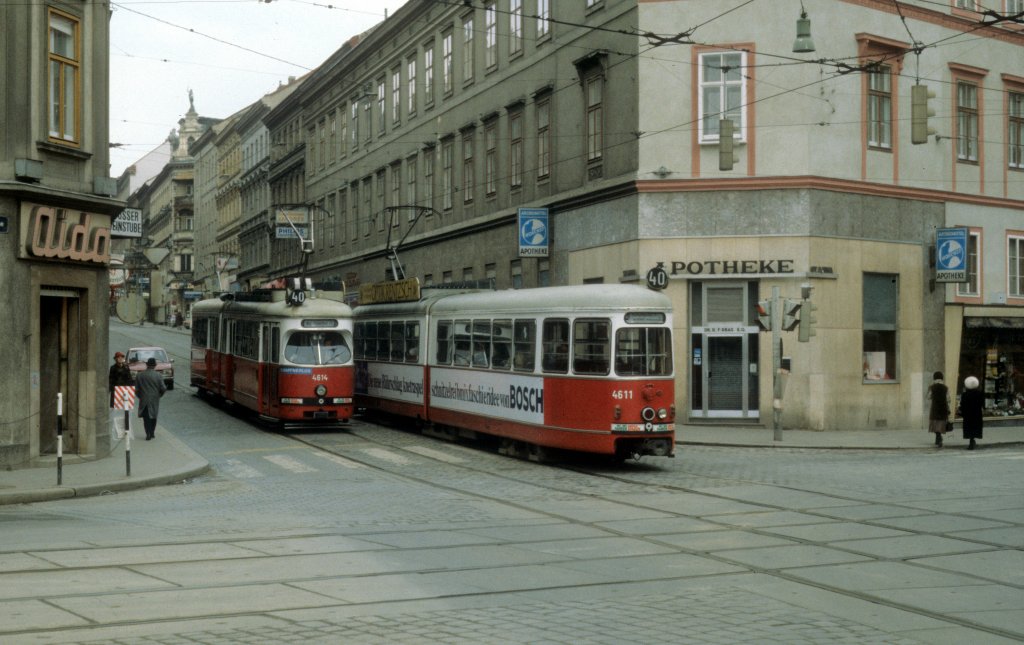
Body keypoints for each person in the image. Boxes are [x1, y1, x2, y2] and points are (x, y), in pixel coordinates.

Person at [135, 357, 167, 440]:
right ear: (155, 365)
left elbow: (136, 390)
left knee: (146, 418)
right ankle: (152, 432)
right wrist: (159, 395)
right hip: (154, 399)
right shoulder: (158, 375)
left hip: (144, 399)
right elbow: (163, 388)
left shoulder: (140, 375)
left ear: (147, 365)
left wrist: (140, 396)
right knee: (153, 416)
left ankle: (148, 433)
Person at [927, 371, 951, 447]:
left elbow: (928, 397)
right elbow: (949, 399)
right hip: (943, 407)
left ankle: (938, 437)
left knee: (935, 424)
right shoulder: (945, 387)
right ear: (942, 378)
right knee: (940, 424)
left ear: (934, 378)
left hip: (935, 408)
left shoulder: (932, 387)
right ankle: (938, 437)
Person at [960, 375, 984, 450]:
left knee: (969, 428)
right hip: (976, 414)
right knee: (975, 427)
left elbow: (962, 404)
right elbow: (982, 404)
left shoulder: (965, 394)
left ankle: (971, 441)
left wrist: (962, 412)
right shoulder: (979, 394)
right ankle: (972, 440)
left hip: (968, 414)